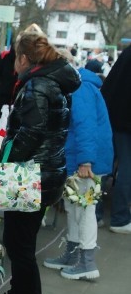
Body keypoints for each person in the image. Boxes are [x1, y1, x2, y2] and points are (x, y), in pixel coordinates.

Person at [0, 31, 80, 294]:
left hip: (32, 176)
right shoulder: (52, 81)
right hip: (44, 172)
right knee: (16, 240)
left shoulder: (38, 84)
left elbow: (31, 133)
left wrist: (7, 162)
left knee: (21, 247)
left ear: (24, 58)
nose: (13, 63)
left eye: (14, 57)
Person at [43, 49, 113, 280]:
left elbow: (85, 127)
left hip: (84, 161)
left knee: (84, 209)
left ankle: (86, 261)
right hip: (78, 158)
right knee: (75, 207)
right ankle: (74, 254)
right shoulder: (79, 85)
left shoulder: (80, 88)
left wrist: (85, 161)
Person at [101, 48, 131, 234]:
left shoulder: (127, 53)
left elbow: (109, 85)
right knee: (127, 170)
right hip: (126, 124)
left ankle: (94, 213)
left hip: (110, 117)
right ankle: (120, 218)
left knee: (104, 166)